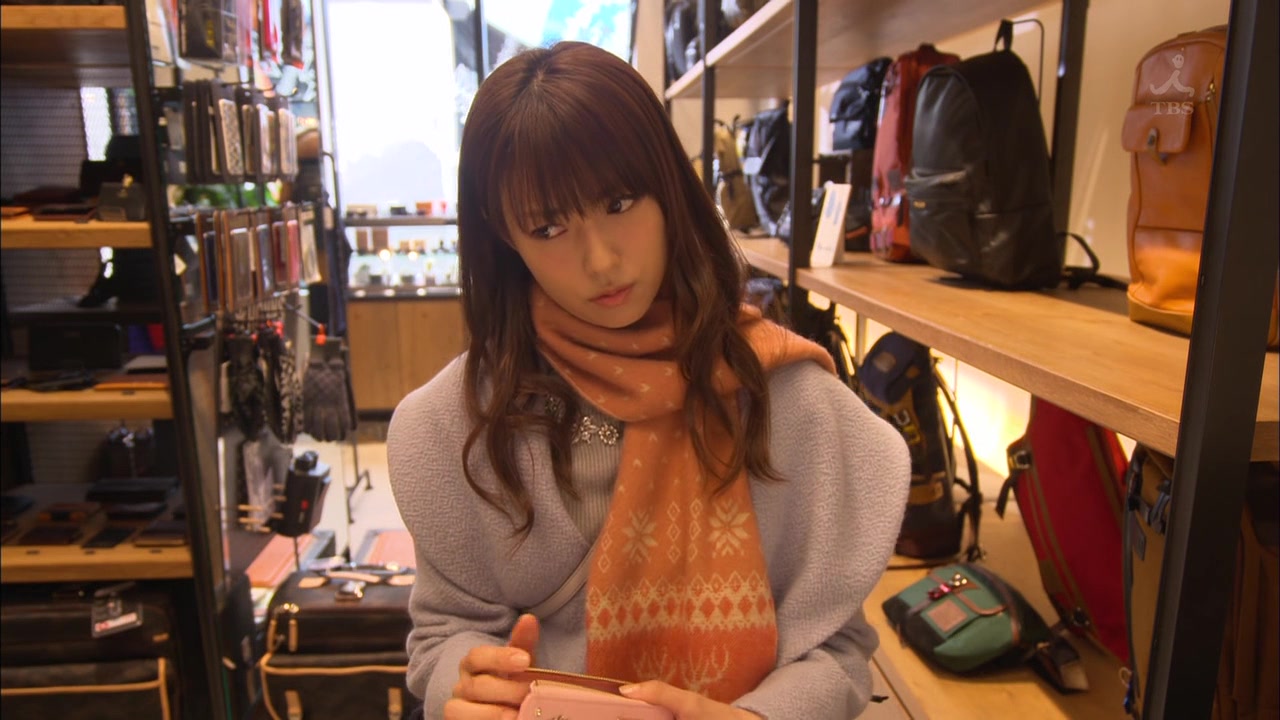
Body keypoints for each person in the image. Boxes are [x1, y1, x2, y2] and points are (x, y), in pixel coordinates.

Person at [387, 41, 910, 719]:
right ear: (505, 238)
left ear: (668, 188)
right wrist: (465, 687)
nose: (601, 260)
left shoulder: (785, 397)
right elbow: (444, 635)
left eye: (620, 201)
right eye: (547, 226)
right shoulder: (455, 423)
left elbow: (836, 648)